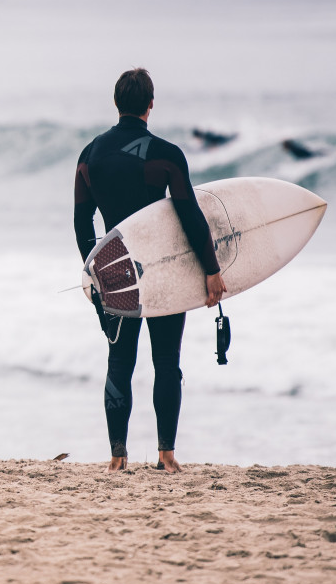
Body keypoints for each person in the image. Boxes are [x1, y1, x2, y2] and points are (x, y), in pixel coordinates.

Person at [74, 68, 225, 474]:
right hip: (161, 271)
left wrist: (94, 270)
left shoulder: (90, 155)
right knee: (167, 362)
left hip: (117, 272)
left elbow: (81, 220)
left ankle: (118, 458)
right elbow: (190, 216)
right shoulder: (165, 154)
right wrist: (211, 270)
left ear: (116, 103)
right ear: (151, 104)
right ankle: (166, 455)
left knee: (119, 362)